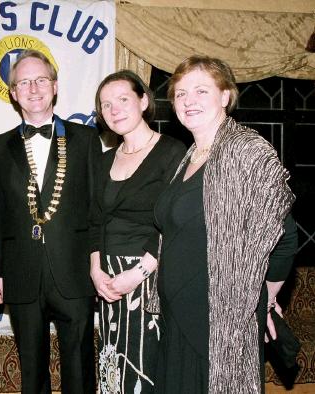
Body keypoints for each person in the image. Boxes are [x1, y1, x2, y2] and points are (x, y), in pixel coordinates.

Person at [147, 55, 298, 393]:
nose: (189, 101)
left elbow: (286, 235)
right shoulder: (190, 157)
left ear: (226, 95)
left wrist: (268, 293)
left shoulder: (246, 150)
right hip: (179, 314)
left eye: (201, 91)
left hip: (220, 318)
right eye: (181, 94)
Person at [0, 49, 101, 394]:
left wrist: (97, 264)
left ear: (54, 87)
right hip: (21, 274)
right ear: (13, 93)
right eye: (24, 82)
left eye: (40, 80)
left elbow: (97, 209)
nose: (33, 88)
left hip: (75, 271)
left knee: (79, 370)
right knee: (32, 374)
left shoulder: (87, 139)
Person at [89, 70, 186, 393]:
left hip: (151, 277)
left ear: (144, 101)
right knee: (112, 366)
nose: (114, 109)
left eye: (123, 100)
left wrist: (140, 271)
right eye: (106, 105)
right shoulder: (103, 161)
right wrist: (95, 270)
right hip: (108, 283)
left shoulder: (174, 153)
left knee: (146, 368)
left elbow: (176, 223)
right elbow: (94, 221)